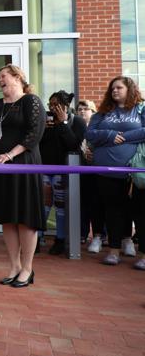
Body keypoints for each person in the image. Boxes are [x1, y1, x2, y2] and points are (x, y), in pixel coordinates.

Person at [0, 64, 45, 288]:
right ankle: (14, 266)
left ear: (18, 78)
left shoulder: (30, 101)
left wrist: (9, 154)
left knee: (25, 218)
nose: (0, 81)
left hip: (23, 164)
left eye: (4, 76)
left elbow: (34, 134)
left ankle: (27, 269)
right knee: (6, 216)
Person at [85, 76, 145, 268]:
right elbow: (90, 134)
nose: (114, 91)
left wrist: (124, 137)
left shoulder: (140, 109)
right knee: (113, 210)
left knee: (140, 212)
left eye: (119, 88)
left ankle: (143, 254)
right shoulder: (102, 113)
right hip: (107, 172)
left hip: (136, 172)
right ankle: (113, 250)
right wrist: (110, 135)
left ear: (130, 89)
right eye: (112, 89)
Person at [38, 90, 86, 255]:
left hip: (63, 170)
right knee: (43, 203)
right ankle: (37, 238)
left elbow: (73, 144)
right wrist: (43, 127)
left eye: (55, 105)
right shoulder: (46, 120)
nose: (51, 108)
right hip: (44, 168)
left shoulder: (77, 121)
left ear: (65, 106)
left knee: (60, 206)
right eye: (49, 104)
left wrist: (64, 123)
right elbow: (39, 143)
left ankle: (60, 239)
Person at [77, 99, 106, 253]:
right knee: (83, 203)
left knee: (98, 202)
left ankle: (101, 235)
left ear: (93, 112)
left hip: (97, 169)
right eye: (79, 109)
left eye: (86, 109)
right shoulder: (76, 128)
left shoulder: (99, 128)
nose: (82, 111)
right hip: (81, 169)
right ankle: (82, 233)